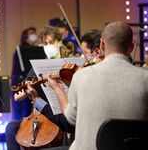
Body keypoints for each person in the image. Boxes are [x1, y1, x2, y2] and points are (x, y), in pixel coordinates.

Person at [47, 21, 148, 150]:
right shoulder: (145, 79)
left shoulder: (81, 76)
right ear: (131, 48)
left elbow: (70, 120)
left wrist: (57, 88)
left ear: (102, 45)